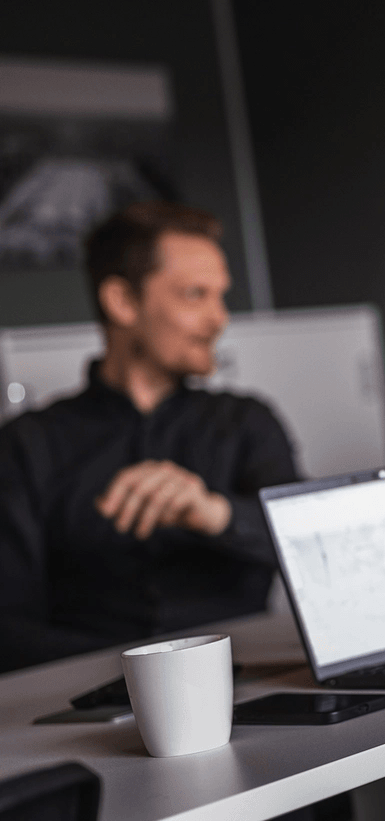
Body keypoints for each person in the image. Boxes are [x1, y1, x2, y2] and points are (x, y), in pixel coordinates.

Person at [0, 201, 298, 673]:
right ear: (122, 302)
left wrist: (214, 512)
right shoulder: (25, 446)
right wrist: (133, 674)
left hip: (249, 682)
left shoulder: (247, 422)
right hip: (83, 702)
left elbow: (308, 543)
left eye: (221, 296)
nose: (219, 318)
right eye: (195, 295)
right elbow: (8, 624)